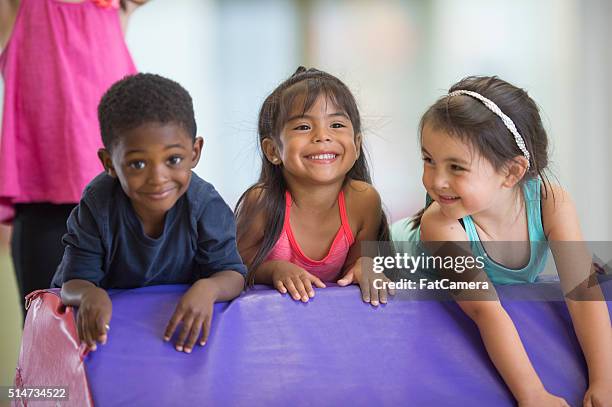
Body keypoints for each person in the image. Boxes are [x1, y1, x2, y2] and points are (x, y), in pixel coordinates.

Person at [392, 76, 612, 406]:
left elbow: (583, 290)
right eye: (428, 160)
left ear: (511, 173)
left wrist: (604, 381)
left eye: (456, 167)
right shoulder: (441, 224)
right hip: (399, 259)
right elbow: (485, 311)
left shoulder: (553, 203)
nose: (436, 180)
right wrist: (533, 395)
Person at [51, 73, 247, 354]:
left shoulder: (205, 205)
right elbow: (72, 284)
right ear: (110, 163)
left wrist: (208, 289)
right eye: (138, 164)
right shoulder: (98, 203)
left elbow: (232, 274)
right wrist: (89, 293)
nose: (158, 177)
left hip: (173, 337)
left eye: (173, 160)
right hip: (110, 340)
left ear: (195, 152)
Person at [0, 0, 147, 313]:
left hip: (118, 200)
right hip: (43, 205)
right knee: (46, 329)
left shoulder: (114, 7)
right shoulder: (20, 7)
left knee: (117, 329)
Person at [235, 67, 392, 306]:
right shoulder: (261, 202)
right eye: (303, 127)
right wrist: (275, 270)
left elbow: (357, 266)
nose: (322, 136)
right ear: (273, 151)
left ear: (357, 145)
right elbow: (236, 269)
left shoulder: (363, 201)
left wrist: (365, 266)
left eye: (336, 125)